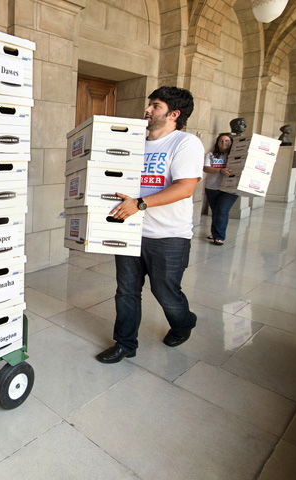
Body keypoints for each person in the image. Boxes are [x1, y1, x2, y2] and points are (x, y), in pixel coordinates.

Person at [96, 86, 204, 364]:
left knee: (165, 293)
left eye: (155, 106)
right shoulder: (135, 144)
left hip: (169, 235)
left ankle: (183, 322)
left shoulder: (185, 143)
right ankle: (125, 343)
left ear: (174, 114)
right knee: (126, 292)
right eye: (150, 105)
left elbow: (184, 188)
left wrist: (140, 204)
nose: (147, 110)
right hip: (130, 232)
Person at [203, 133, 238, 246]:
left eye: (227, 141)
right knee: (216, 211)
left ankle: (219, 236)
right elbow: (206, 168)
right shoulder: (211, 155)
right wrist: (220, 171)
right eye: (221, 141)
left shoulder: (237, 156)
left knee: (222, 211)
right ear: (217, 143)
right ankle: (214, 233)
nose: (224, 143)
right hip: (212, 187)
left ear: (231, 142)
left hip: (230, 188)